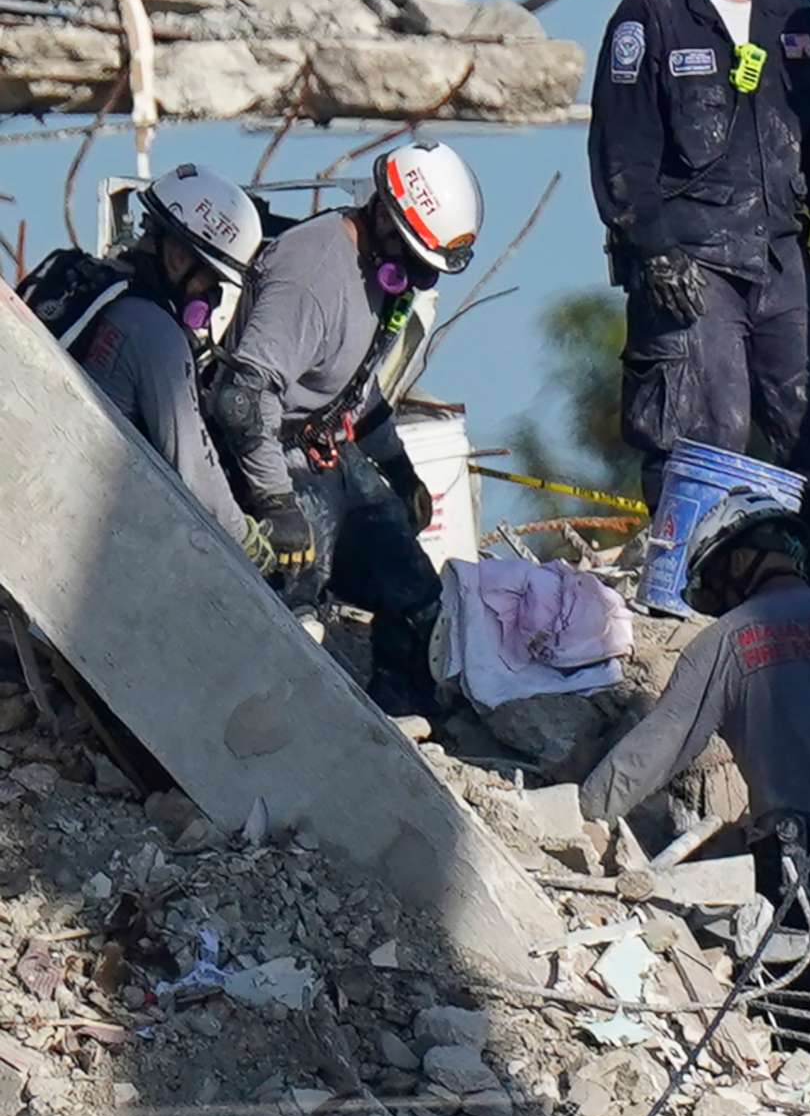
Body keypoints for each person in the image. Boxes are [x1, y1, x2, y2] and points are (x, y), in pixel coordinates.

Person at [590, 0, 810, 545]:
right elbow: (620, 153)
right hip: (692, 263)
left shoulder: (794, 16)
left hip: (780, 259)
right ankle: (696, 593)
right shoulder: (648, 15)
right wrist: (653, 253)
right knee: (706, 436)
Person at [582, 490, 810, 950]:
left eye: (714, 582)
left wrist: (580, 815)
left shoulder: (727, 642)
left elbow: (652, 752)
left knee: (775, 989)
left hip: (801, 871)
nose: (719, 604)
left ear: (737, 563)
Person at [206, 143, 480, 716]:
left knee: (418, 599)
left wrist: (400, 469)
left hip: (331, 452)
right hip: (274, 458)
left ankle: (402, 729)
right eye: (419, 260)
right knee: (295, 604)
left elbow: (356, 390)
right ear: (383, 216)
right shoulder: (315, 275)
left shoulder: (380, 280)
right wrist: (275, 501)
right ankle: (269, 737)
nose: (422, 279)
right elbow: (243, 397)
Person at [22, 166, 271, 563]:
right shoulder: (156, 330)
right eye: (211, 282)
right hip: (60, 532)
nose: (211, 300)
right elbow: (194, 471)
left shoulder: (78, 280)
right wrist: (248, 542)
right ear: (177, 256)